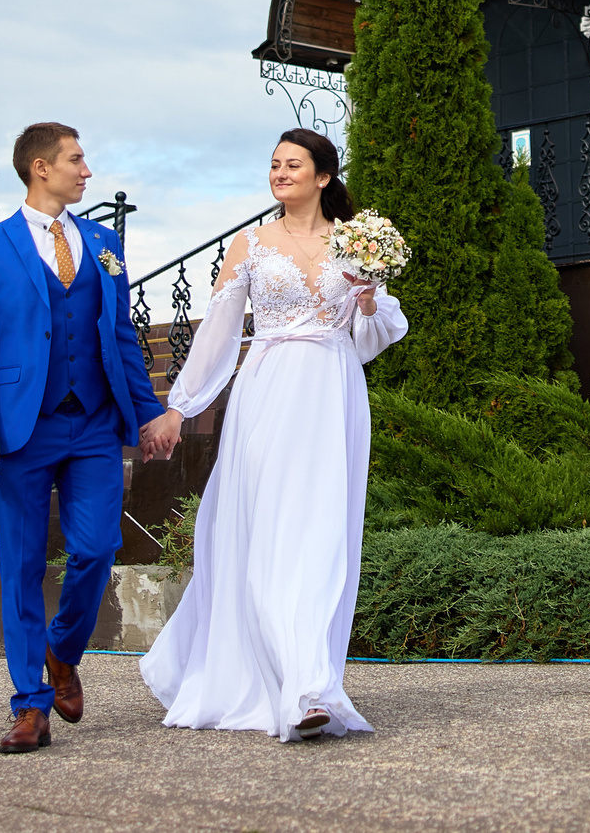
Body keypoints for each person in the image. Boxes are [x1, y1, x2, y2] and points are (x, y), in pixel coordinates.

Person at [140, 127, 407, 742]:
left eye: (293, 164)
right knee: (266, 531)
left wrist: (367, 301)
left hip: (333, 394)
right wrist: (180, 408)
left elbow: (369, 342)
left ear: (323, 177)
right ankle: (279, 680)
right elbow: (218, 335)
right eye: (274, 164)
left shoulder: (358, 245)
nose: (279, 173)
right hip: (266, 393)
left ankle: (310, 687)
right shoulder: (250, 246)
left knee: (320, 533)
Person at [0, 122, 182, 755]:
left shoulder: (104, 243)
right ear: (39, 168)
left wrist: (147, 411)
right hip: (23, 428)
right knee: (22, 566)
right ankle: (29, 707)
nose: (87, 172)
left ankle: (62, 652)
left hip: (94, 424)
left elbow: (120, 337)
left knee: (96, 548)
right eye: (76, 160)